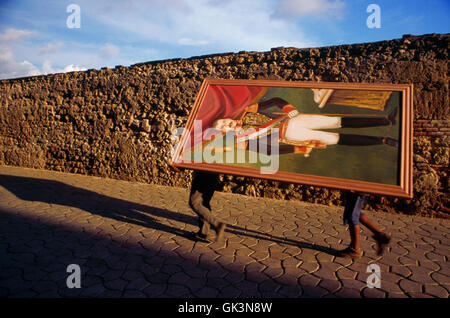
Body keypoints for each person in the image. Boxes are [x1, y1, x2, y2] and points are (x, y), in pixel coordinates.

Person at [338, 192, 392, 258]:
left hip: (358, 188)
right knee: (354, 212)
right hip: (359, 188)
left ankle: (355, 249)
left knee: (352, 215)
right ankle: (380, 235)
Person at [189, 169, 226, 242]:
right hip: (214, 176)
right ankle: (203, 232)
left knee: (194, 202)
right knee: (204, 202)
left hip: (203, 174)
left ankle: (217, 224)